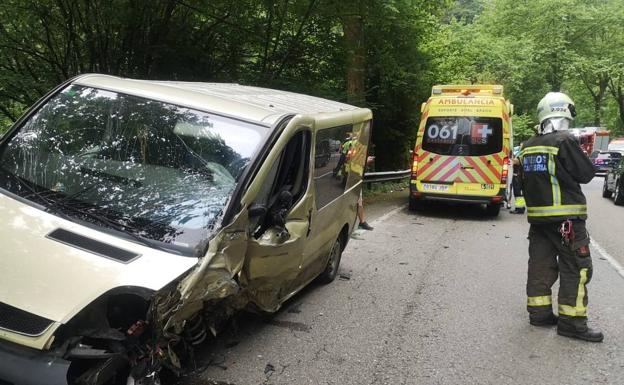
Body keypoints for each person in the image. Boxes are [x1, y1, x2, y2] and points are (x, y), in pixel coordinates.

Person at [519, 92, 602, 342]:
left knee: (540, 267)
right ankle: (572, 323)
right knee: (577, 269)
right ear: (564, 112)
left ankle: (540, 313)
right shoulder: (564, 141)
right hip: (567, 221)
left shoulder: (527, 146)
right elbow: (586, 173)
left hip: (539, 222)